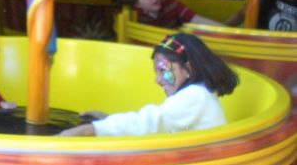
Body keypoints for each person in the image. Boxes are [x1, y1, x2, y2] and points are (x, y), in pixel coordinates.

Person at [58, 33, 239, 137]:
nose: (157, 80)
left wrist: (91, 129)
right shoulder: (201, 94)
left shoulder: (195, 96)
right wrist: (107, 119)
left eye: (163, 71)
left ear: (188, 68)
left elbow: (150, 122)